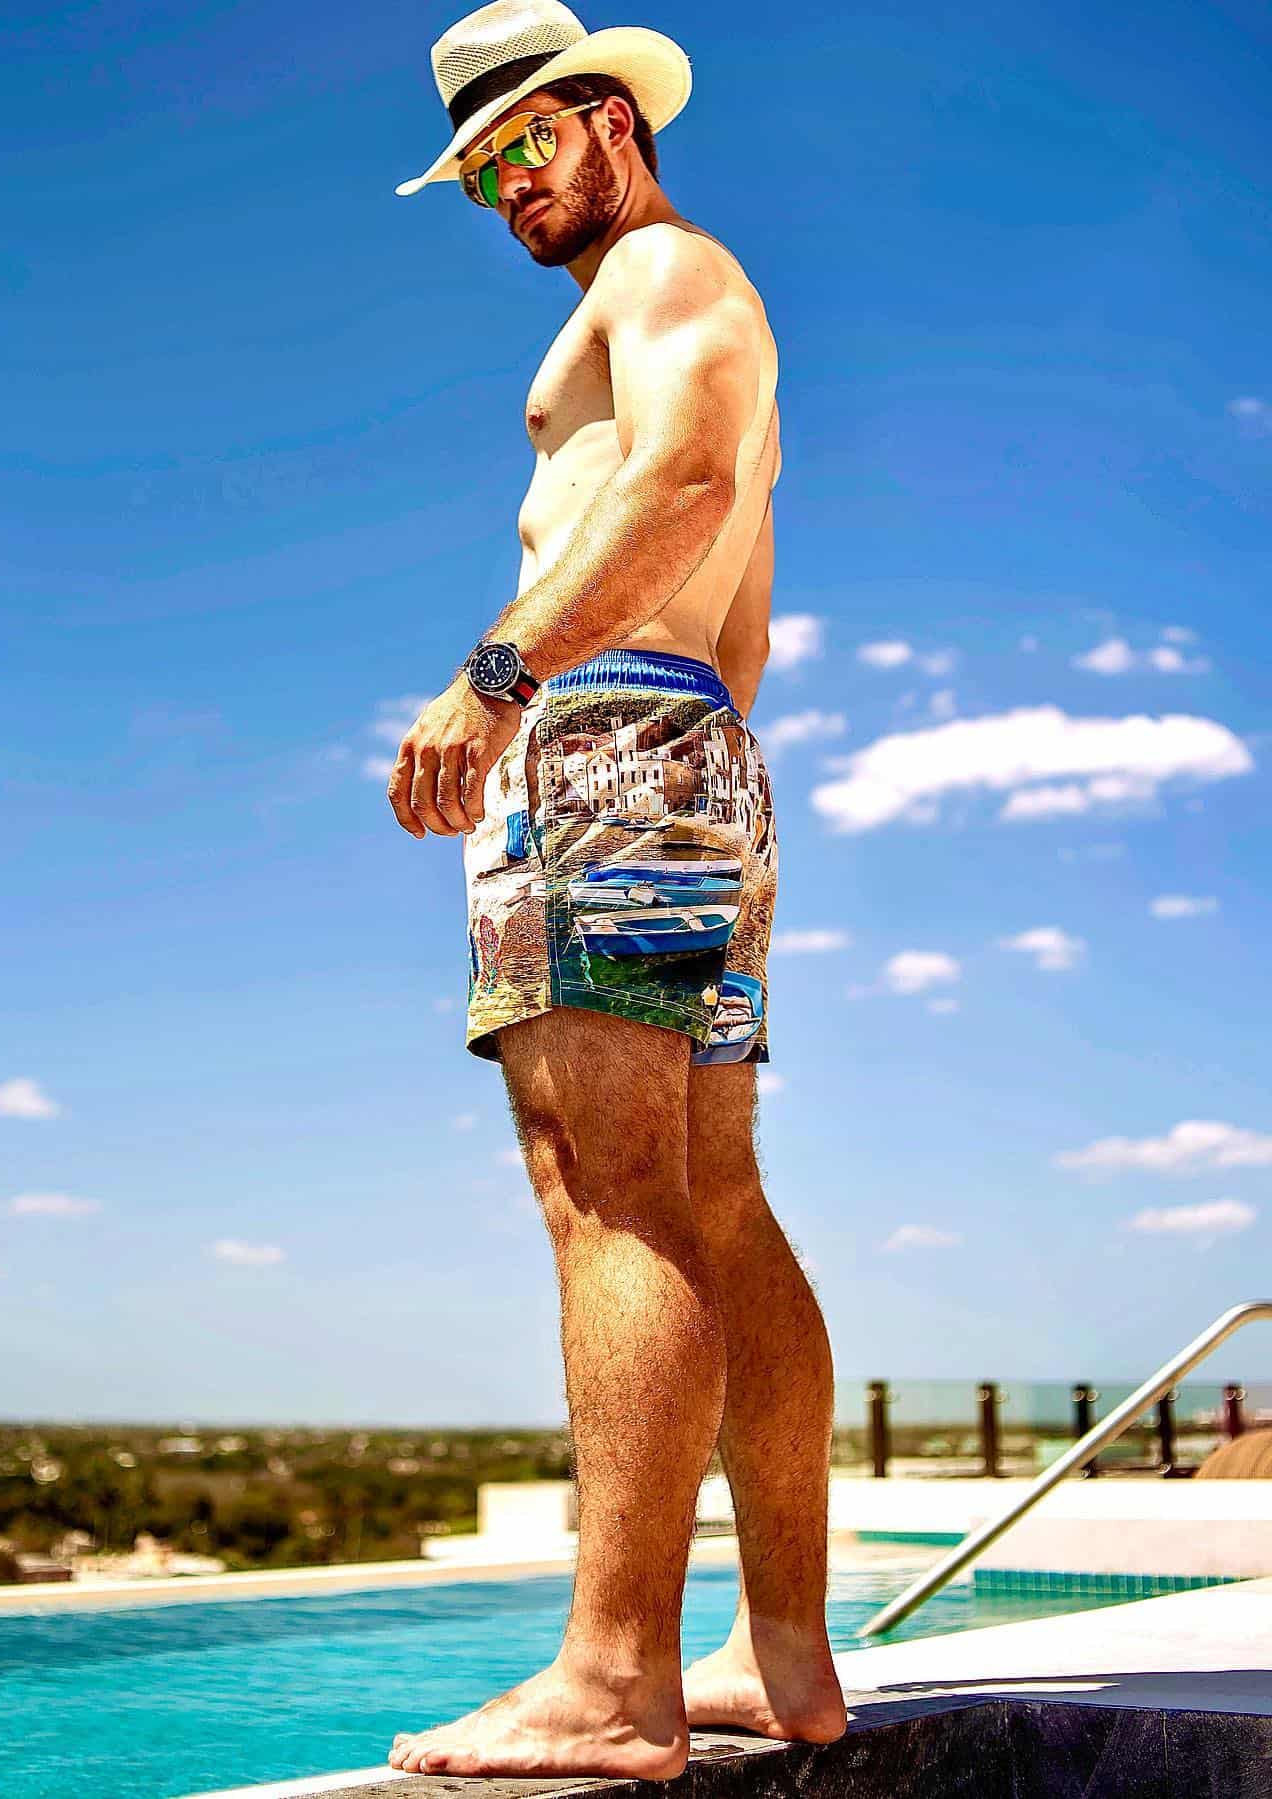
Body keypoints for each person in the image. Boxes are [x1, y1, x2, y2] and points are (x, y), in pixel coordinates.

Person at [384, 0, 847, 1779]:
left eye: (522, 146)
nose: (506, 190)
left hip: (602, 744)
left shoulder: (666, 276)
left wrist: (495, 678)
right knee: (716, 1199)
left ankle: (612, 1674)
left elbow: (684, 477)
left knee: (612, 1196)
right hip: (696, 761)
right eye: (477, 172)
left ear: (605, 118)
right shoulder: (669, 291)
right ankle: (783, 1658)